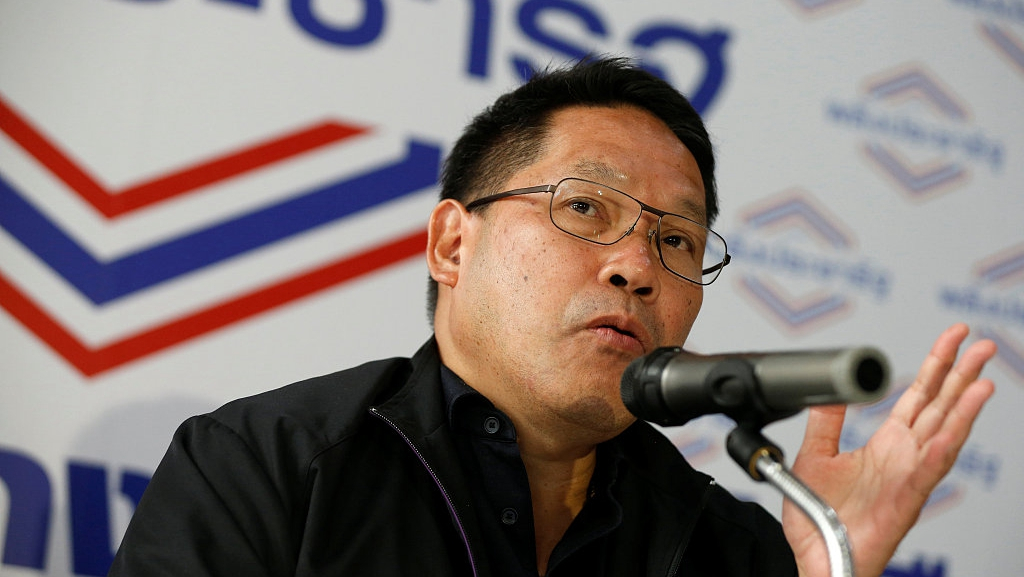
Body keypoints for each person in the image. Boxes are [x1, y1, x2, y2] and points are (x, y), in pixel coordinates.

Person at [108, 57, 997, 577]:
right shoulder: (268, 466)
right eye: (584, 207)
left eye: (678, 241)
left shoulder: (730, 548)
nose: (636, 266)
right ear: (452, 244)